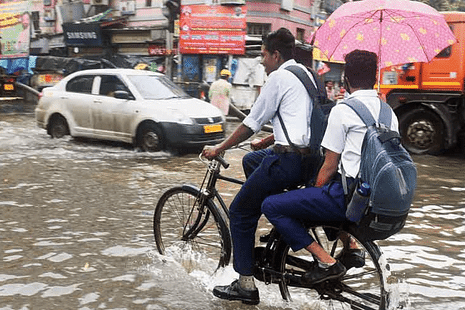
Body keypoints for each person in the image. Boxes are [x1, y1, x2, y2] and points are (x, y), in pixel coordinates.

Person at [202, 28, 321, 305]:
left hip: (288, 162)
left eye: (264, 55)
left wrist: (219, 148)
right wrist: (268, 140)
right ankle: (273, 216)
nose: (262, 61)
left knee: (240, 212)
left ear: (276, 55)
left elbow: (248, 124)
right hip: (310, 160)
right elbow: (302, 121)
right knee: (251, 160)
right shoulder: (308, 75)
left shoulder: (279, 77)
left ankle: (245, 284)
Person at [261, 50, 400, 284]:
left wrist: (312, 191)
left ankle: (327, 261)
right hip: (379, 198)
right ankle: (351, 244)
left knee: (272, 205)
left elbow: (329, 165)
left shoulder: (344, 110)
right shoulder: (389, 113)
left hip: (351, 198)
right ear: (375, 79)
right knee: (319, 191)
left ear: (345, 79)